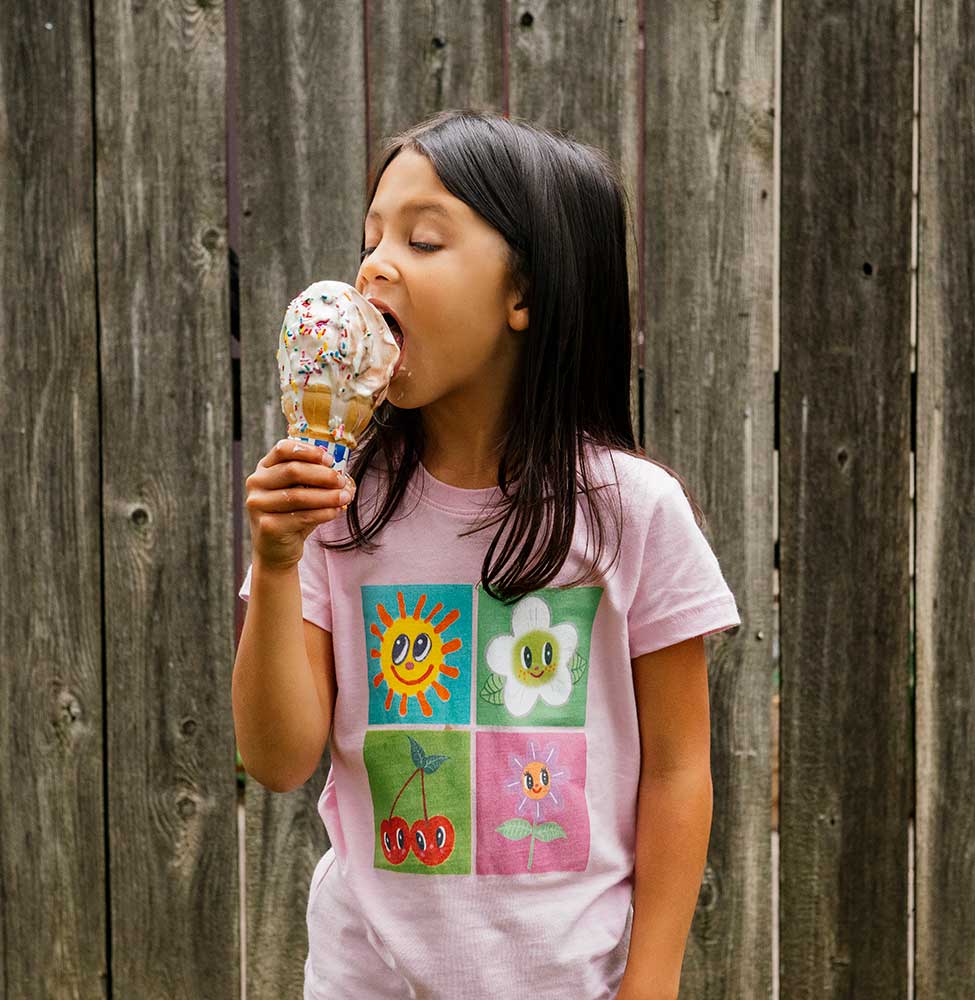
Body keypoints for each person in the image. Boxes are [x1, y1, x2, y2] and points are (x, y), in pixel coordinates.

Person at [232, 109, 741, 1000]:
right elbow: (278, 760)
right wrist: (276, 564)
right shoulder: (334, 507)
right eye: (371, 237)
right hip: (364, 981)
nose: (374, 264)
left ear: (525, 294)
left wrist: (651, 984)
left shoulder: (632, 511)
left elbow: (678, 768)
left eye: (424, 240)